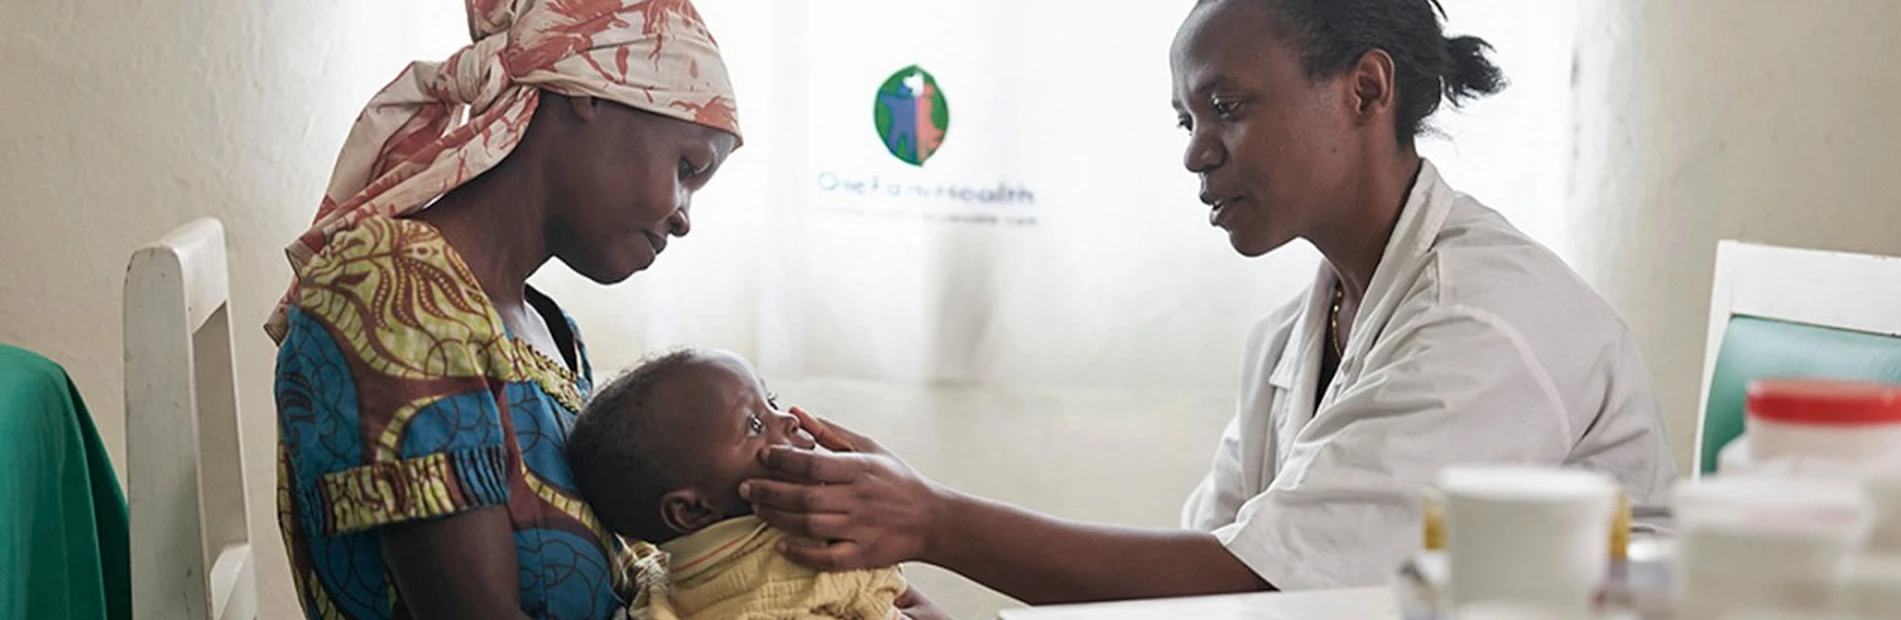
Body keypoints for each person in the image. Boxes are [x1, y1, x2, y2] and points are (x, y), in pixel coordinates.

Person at [737, 0, 1678, 604]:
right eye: (1187, 120)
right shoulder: (1290, 339)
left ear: (1365, 90)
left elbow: (1250, 584)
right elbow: (1196, 590)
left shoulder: (1485, 321)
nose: (1195, 150)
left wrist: (934, 520)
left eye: (1227, 107)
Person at [267, 1, 745, 618]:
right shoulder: (395, 291)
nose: (683, 218)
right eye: (686, 168)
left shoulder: (547, 330)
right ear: (590, 93)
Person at [567, 349, 916, 620]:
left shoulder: (671, 573)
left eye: (773, 402)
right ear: (691, 509)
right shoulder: (787, 577)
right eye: (754, 425)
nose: (790, 419)